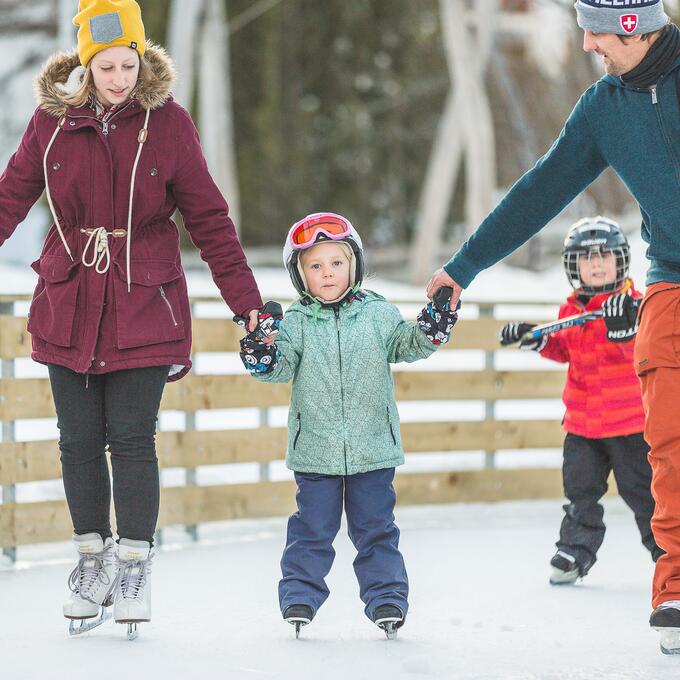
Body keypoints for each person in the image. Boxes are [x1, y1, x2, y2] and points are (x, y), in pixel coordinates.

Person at [0, 0, 264, 637]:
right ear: (85, 65)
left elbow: (209, 219)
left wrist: (248, 306)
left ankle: (136, 564)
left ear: (143, 60)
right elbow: (10, 195)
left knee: (131, 439)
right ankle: (92, 559)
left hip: (145, 303)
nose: (119, 77)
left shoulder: (168, 123)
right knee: (78, 442)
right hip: (68, 303)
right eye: (106, 65)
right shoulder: (51, 123)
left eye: (129, 63)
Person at [424, 0, 680, 649]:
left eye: (594, 32)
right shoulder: (603, 108)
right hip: (672, 274)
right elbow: (542, 189)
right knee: (668, 435)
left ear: (632, 26)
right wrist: (465, 267)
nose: (588, 46)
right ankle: (676, 579)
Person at [238, 212, 458, 639]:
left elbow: (406, 343)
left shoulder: (377, 313)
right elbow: (278, 369)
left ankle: (387, 598)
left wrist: (433, 326)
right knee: (311, 529)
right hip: (315, 452)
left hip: (373, 448)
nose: (327, 274)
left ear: (353, 264)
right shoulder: (295, 323)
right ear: (300, 274)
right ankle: (300, 594)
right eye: (315, 266)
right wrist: (260, 351)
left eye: (336, 263)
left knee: (376, 529)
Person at [500, 217, 661, 585]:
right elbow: (565, 348)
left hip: (630, 425)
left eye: (605, 256)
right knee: (580, 491)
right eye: (587, 260)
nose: (597, 264)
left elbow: (645, 352)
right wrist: (536, 338)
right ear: (574, 267)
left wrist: (626, 332)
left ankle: (668, 554)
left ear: (621, 260)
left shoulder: (636, 306)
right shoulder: (571, 311)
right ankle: (575, 551)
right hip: (582, 425)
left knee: (644, 494)